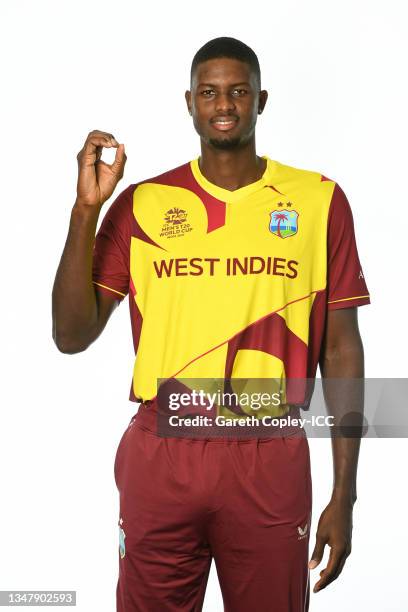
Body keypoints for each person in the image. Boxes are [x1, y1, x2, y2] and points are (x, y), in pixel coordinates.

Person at [52, 36, 371, 612]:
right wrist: (86, 210)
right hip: (163, 451)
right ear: (190, 102)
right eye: (209, 93)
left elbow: (342, 349)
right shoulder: (142, 204)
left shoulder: (318, 201)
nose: (224, 105)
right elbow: (71, 336)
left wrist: (344, 493)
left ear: (261, 100)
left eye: (238, 92)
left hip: (267, 447)